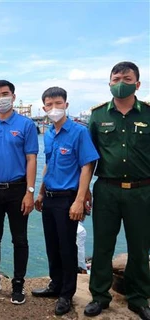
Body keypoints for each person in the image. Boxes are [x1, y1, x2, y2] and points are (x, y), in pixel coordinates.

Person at [85, 61, 150, 320]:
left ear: (138, 83)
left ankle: (139, 298)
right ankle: (99, 297)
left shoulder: (147, 113)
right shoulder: (98, 115)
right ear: (109, 82)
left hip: (142, 191)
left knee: (140, 246)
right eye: (115, 78)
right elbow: (89, 158)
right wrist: (85, 191)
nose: (120, 81)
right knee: (102, 245)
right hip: (107, 190)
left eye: (126, 77)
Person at [31, 87, 99, 316]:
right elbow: (48, 164)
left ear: (66, 105)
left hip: (68, 198)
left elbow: (87, 166)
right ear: (43, 108)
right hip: (49, 197)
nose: (53, 109)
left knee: (67, 247)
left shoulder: (79, 132)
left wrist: (80, 200)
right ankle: (55, 284)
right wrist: (40, 193)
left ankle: (66, 294)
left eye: (58, 103)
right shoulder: (49, 133)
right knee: (52, 245)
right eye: (49, 105)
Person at [0, 80, 38, 304]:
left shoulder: (26, 125)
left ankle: (18, 283)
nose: (1, 97)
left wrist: (30, 192)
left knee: (19, 239)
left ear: (13, 97)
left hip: (18, 190)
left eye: (5, 94)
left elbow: (31, 159)